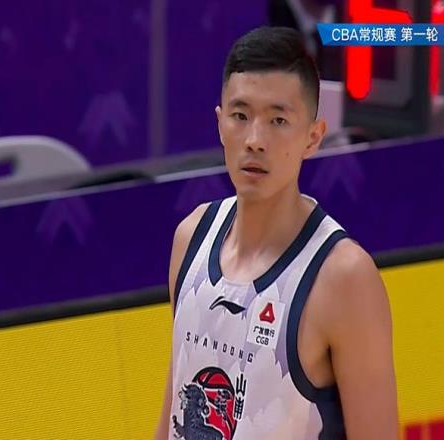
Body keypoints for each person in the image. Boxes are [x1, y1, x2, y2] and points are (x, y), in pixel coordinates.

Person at [155, 26, 397, 440]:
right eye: (241, 116)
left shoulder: (344, 278)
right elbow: (175, 407)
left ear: (313, 137)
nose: (255, 140)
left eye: (278, 120)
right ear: (220, 124)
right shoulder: (190, 238)